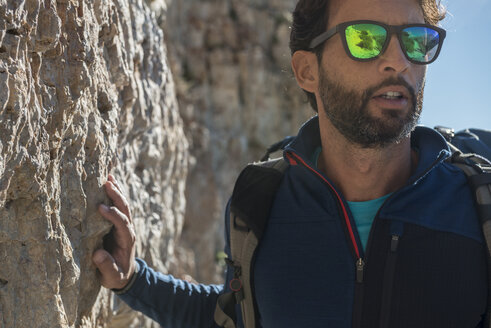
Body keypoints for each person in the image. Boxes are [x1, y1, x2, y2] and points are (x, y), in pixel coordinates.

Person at [92, 0, 489, 327]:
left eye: (415, 40)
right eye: (365, 38)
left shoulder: (477, 203)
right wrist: (134, 281)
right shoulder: (262, 205)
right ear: (307, 71)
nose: (398, 61)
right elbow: (236, 315)